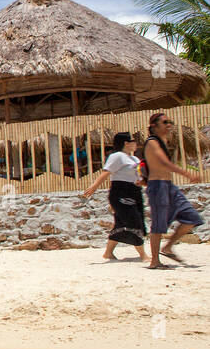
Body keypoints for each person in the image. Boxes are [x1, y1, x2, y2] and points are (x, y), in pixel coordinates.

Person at [142, 112, 203, 269]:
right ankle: (155, 261)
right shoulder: (152, 142)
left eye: (170, 121)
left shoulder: (163, 141)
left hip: (169, 186)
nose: (169, 124)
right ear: (154, 126)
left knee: (192, 217)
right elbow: (163, 163)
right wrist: (187, 173)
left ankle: (167, 247)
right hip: (158, 187)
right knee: (159, 225)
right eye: (165, 122)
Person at [81, 132, 148, 262]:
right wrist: (94, 186)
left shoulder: (135, 159)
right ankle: (143, 255)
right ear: (126, 143)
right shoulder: (116, 156)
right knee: (134, 222)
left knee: (121, 223)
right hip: (120, 192)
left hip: (135, 191)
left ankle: (108, 253)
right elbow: (106, 172)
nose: (136, 144)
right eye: (133, 141)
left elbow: (138, 176)